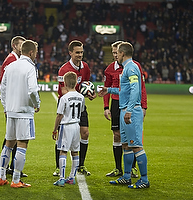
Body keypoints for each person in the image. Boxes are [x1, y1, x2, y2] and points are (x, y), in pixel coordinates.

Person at [98, 42, 150, 189]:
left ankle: (144, 180)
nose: (116, 56)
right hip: (123, 110)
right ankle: (126, 176)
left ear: (122, 53)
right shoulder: (127, 68)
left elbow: (135, 90)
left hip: (130, 112)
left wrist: (130, 109)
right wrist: (108, 90)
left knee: (137, 146)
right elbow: (124, 90)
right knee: (126, 145)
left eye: (117, 53)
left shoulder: (131, 68)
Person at [0, 40, 40, 188]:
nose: (36, 55)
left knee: (9, 144)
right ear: (31, 52)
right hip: (24, 112)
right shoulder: (30, 67)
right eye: (35, 52)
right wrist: (37, 104)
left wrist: (6, 106)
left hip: (11, 111)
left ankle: (2, 177)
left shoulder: (10, 66)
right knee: (22, 144)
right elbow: (33, 90)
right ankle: (16, 180)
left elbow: (2, 89)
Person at [53, 40, 96, 177]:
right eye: (77, 52)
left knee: (85, 133)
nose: (80, 55)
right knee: (61, 136)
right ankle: (58, 167)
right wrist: (79, 95)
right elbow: (63, 91)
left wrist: (89, 93)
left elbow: (86, 84)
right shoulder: (63, 69)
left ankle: (81, 164)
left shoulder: (86, 67)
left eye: (81, 52)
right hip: (66, 105)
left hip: (79, 104)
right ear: (70, 52)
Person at [0, 36, 27, 177]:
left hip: (12, 102)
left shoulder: (14, 59)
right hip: (13, 104)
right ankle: (11, 167)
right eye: (21, 45)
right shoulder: (11, 59)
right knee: (13, 137)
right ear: (15, 46)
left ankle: (10, 167)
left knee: (13, 136)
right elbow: (4, 80)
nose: (24, 47)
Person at [52, 71, 85, 186]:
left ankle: (61, 178)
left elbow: (59, 115)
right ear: (76, 83)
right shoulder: (81, 97)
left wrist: (55, 129)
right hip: (77, 126)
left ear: (65, 83)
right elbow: (81, 111)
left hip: (66, 126)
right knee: (75, 152)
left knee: (63, 151)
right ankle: (71, 177)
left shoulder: (64, 98)